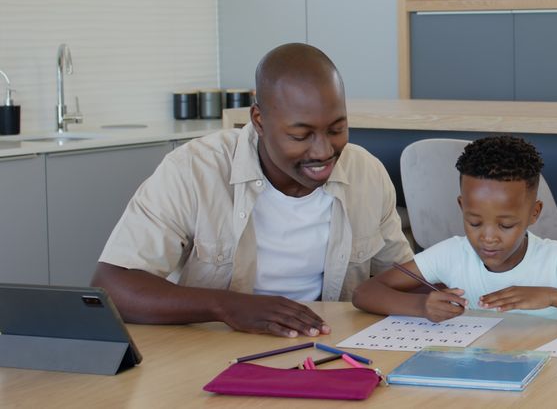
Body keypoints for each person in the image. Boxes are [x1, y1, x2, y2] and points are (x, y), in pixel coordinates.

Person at [91, 43, 413, 338]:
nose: (323, 151)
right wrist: (226, 306)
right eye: (301, 135)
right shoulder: (192, 170)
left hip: (325, 351)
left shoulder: (366, 174)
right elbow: (112, 286)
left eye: (337, 129)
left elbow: (404, 281)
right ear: (259, 120)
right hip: (209, 355)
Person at [354, 135, 557, 323]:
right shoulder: (452, 253)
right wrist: (422, 306)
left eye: (506, 225)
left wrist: (553, 296)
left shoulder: (556, 259)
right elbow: (365, 293)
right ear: (461, 206)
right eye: (474, 222)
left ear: (534, 213)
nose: (488, 237)